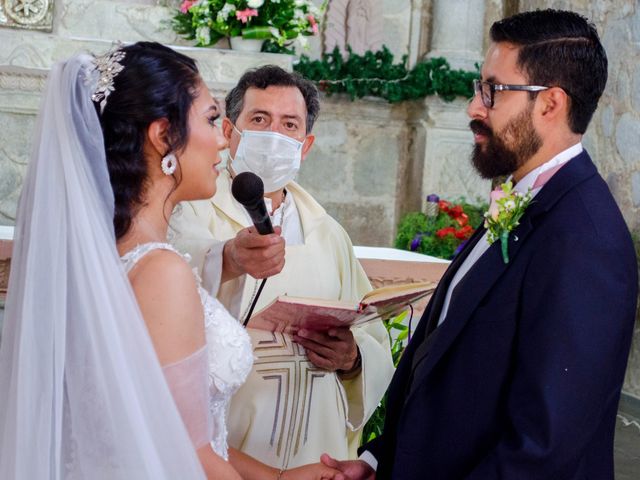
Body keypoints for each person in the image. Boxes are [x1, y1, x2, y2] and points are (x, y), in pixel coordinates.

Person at [0, 42, 342, 480]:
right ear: (164, 136)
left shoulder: (109, 252)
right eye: (212, 119)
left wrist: (277, 477)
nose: (223, 139)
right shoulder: (160, 271)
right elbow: (185, 459)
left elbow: (187, 437)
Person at [322, 9, 638, 480]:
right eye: (478, 87)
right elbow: (447, 365)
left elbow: (541, 449)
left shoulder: (584, 238)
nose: (474, 106)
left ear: (550, 104)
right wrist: (378, 462)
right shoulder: (525, 201)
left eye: (492, 90)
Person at [170, 65, 394, 470]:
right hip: (230, 448)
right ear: (229, 131)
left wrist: (353, 359)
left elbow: (373, 336)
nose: (274, 135)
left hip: (318, 449)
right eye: (259, 119)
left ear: (305, 145)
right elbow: (163, 298)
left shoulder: (328, 233)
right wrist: (228, 259)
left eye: (289, 124)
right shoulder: (191, 208)